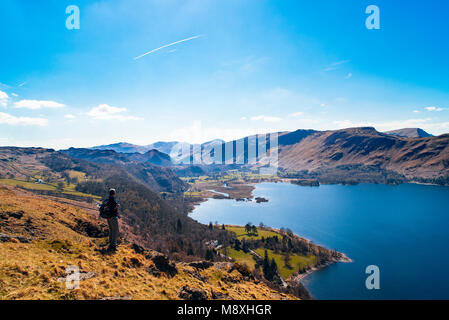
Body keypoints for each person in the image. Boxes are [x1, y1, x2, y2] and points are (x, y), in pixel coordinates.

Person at [105, 188, 120, 252]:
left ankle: (110, 241)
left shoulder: (108, 200)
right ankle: (113, 245)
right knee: (115, 230)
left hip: (108, 217)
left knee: (111, 229)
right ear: (114, 193)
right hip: (113, 217)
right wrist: (117, 207)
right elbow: (113, 209)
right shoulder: (113, 200)